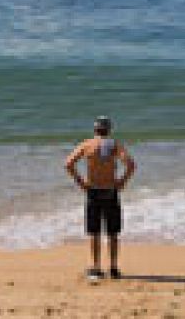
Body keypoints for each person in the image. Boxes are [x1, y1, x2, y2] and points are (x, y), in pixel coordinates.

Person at [64, 115, 136, 280]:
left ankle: (96, 268)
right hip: (110, 190)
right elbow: (131, 165)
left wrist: (80, 182)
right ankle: (113, 268)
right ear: (109, 130)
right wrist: (122, 181)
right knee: (112, 232)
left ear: (95, 130)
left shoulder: (87, 145)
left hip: (93, 190)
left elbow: (68, 163)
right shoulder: (114, 145)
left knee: (94, 231)